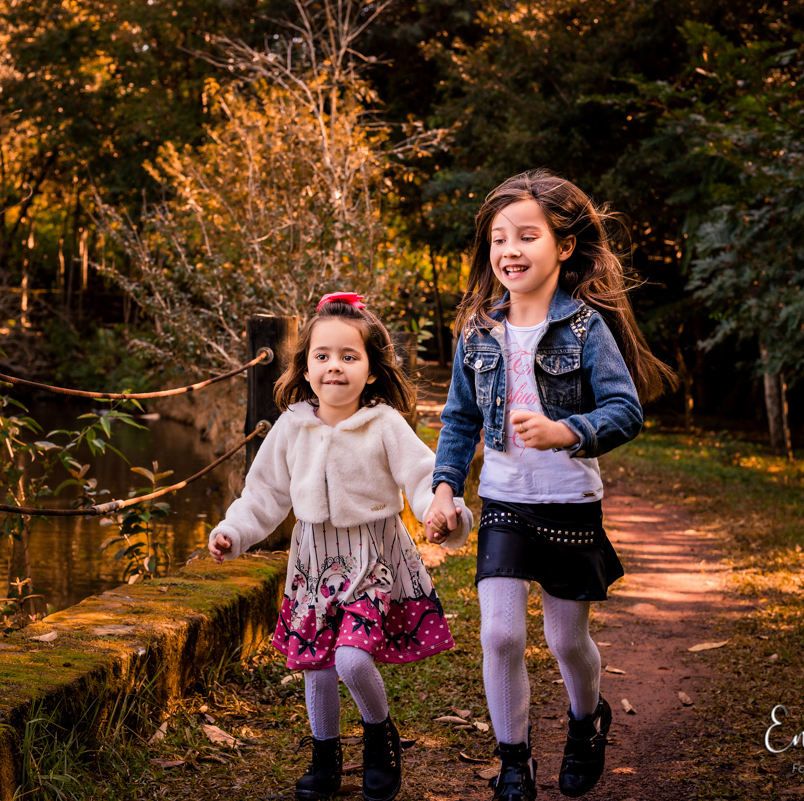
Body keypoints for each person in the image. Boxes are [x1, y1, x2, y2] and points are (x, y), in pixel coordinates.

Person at [424, 170, 676, 801]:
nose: (509, 250)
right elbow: (458, 418)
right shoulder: (479, 332)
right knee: (501, 634)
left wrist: (567, 431)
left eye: (526, 236)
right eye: (498, 238)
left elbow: (626, 411)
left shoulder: (587, 329)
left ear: (563, 247)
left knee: (567, 640)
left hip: (569, 503)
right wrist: (444, 487)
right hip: (505, 502)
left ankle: (586, 720)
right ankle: (514, 760)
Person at [209, 292, 473, 801]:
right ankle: (324, 757)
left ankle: (380, 737)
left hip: (371, 557)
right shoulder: (292, 426)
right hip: (311, 560)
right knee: (319, 663)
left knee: (351, 660)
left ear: (371, 370)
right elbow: (264, 493)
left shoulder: (384, 424)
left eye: (349, 357)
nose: (335, 367)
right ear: (305, 368)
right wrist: (233, 531)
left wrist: (442, 511)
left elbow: (423, 477)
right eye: (323, 356)